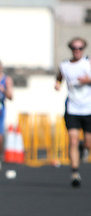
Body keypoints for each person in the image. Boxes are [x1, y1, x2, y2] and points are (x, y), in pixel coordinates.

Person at [55, 37, 91, 187]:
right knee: (73, 140)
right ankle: (75, 173)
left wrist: (86, 81)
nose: (77, 51)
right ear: (71, 49)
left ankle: (85, 148)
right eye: (75, 48)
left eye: (80, 48)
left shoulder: (87, 64)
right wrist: (57, 84)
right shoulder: (65, 65)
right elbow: (59, 78)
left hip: (88, 108)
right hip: (72, 108)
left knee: (88, 143)